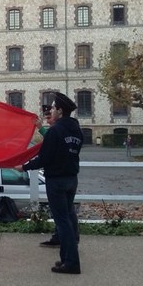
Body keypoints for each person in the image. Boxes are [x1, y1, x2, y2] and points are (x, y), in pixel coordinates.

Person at [21, 92, 83, 274]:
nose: (52, 110)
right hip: (71, 179)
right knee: (68, 217)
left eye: (54, 108)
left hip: (56, 181)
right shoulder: (76, 130)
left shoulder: (56, 131)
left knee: (63, 222)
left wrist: (23, 167)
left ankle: (72, 263)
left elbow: (44, 159)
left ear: (61, 111)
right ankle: (65, 259)